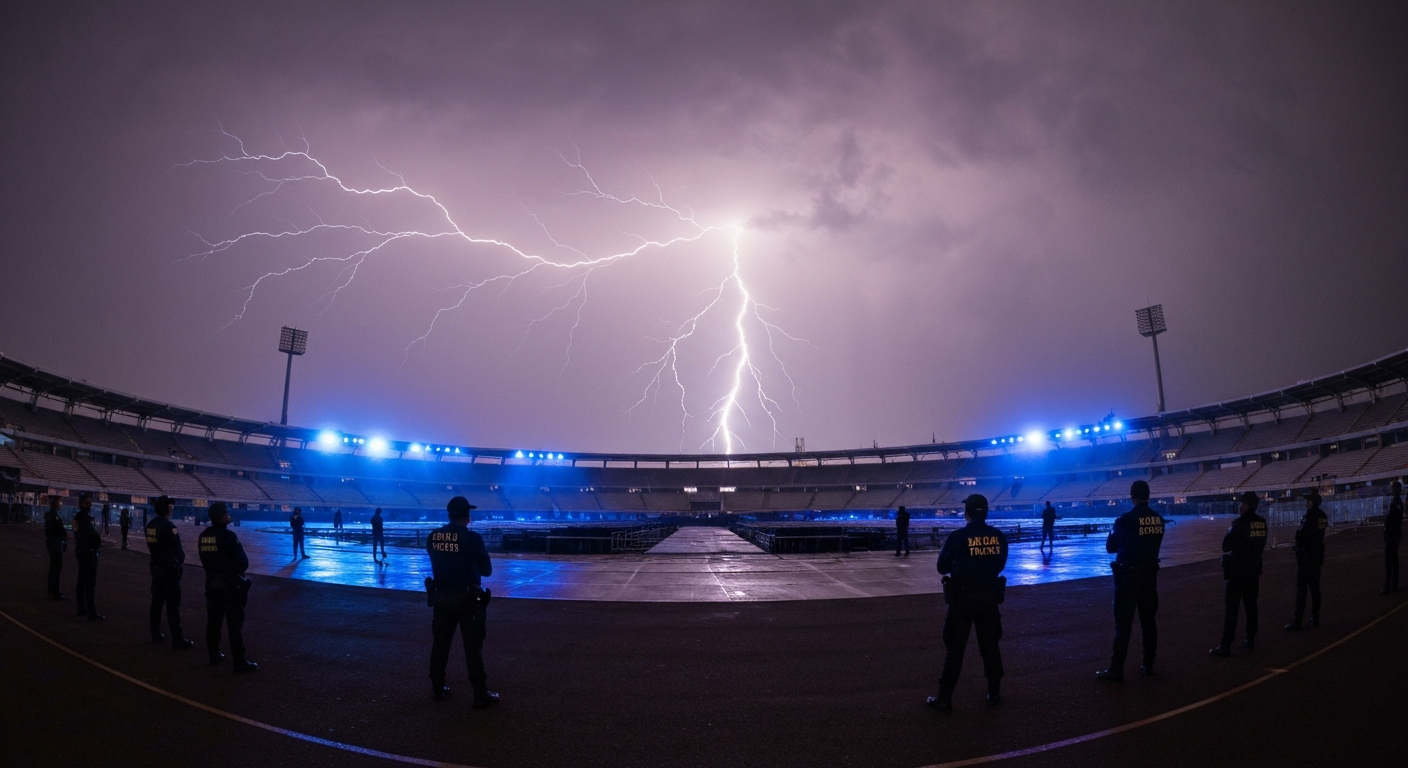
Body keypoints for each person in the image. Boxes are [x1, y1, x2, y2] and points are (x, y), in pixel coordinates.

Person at [928, 494, 1008, 710]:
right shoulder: (998, 536)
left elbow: (942, 567)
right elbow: (1000, 564)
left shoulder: (958, 536)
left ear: (968, 513)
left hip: (962, 599)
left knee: (955, 649)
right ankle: (994, 693)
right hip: (989, 597)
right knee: (990, 646)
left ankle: (945, 697)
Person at [426, 496, 498, 707]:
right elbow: (487, 570)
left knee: (440, 645)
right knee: (473, 647)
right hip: (467, 599)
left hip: (441, 597)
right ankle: (479, 693)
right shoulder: (473, 539)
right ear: (467, 516)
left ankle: (437, 688)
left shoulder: (433, 537)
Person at [1096, 481, 1164, 681]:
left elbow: (1111, 547)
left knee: (1123, 626)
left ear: (1131, 496)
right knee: (1148, 622)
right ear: (1148, 496)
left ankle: (1116, 669)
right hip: (1149, 576)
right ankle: (1148, 664)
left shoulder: (1125, 520)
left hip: (1127, 577)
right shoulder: (1158, 519)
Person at [199, 502, 256, 672]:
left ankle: (214, 654)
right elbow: (243, 562)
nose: (229, 515)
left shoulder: (203, 536)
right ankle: (239, 661)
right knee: (234, 625)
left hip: (212, 583)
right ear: (222, 517)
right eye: (226, 513)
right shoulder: (229, 536)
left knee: (213, 622)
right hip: (230, 585)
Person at [1210, 492, 1267, 656]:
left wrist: (1231, 529)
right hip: (1254, 571)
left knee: (1232, 610)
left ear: (1246, 505)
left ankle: (1226, 644)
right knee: (1251, 607)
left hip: (1237, 572)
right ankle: (1250, 641)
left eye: (1242, 503)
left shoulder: (1239, 523)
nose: (1239, 506)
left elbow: (1226, 546)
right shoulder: (1262, 523)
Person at [146, 495, 194, 648]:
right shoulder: (169, 527)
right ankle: (177, 638)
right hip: (170, 572)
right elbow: (179, 552)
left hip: (156, 569)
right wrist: (178, 563)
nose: (173, 507)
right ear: (167, 507)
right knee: (173, 606)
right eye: (171, 505)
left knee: (156, 604)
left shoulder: (150, 526)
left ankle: (155, 633)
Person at [1285, 490, 1328, 630]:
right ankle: (1315, 617)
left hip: (1306, 556)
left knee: (1302, 589)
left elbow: (1300, 535)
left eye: (1308, 501)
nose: (1306, 503)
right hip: (1317, 555)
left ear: (1312, 502)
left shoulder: (1309, 516)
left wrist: (1299, 545)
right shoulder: (1323, 516)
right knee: (1315, 588)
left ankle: (1298, 621)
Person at [72, 493, 104, 621]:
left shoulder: (78, 518)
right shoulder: (83, 518)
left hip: (81, 551)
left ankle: (81, 608)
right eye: (87, 503)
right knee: (89, 583)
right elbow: (94, 536)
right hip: (88, 552)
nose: (89, 506)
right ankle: (91, 611)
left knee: (81, 581)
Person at [43, 496, 67, 600]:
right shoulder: (53, 516)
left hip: (53, 542)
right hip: (55, 543)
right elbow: (59, 530)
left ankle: (51, 591)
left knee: (53, 568)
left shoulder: (50, 515)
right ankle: (55, 592)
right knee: (56, 568)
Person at [1383, 481, 1403, 595]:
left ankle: (1388, 585)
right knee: (1394, 560)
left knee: (1389, 560)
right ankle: (1394, 585)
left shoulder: (1396, 502)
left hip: (1392, 533)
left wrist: (1387, 528)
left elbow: (1392, 519)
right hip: (1396, 532)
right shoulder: (1399, 502)